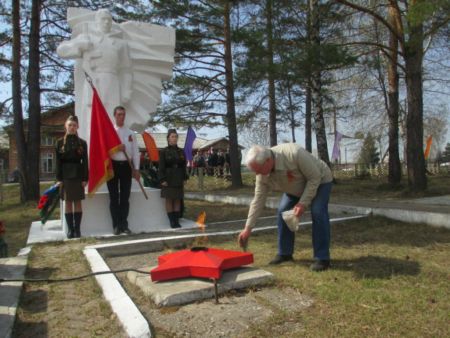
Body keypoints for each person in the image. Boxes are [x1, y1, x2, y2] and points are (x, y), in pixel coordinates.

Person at [237, 144, 333, 271]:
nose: (257, 174)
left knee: (318, 212)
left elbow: (315, 177)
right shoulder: (261, 173)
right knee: (283, 211)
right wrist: (248, 228)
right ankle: (285, 253)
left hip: (320, 180)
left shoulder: (294, 153)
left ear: (268, 161)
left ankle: (322, 258)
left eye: (258, 170)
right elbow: (258, 200)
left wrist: (302, 203)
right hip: (294, 188)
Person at [107, 106, 140, 235]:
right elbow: (105, 152)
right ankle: (116, 225)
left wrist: (136, 169)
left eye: (123, 114)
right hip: (113, 166)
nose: (122, 117)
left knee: (125, 197)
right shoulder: (110, 132)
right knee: (114, 197)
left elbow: (136, 152)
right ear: (114, 115)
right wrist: (116, 148)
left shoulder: (130, 133)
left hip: (127, 166)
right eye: (119, 114)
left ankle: (124, 224)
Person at [55, 115, 89, 239]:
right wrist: (59, 179)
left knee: (78, 202)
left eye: (74, 125)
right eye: (70, 125)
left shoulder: (82, 143)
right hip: (65, 176)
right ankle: (70, 229)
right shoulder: (59, 143)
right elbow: (58, 162)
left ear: (77, 127)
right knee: (68, 202)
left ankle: (77, 229)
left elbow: (85, 161)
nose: (72, 127)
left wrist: (85, 178)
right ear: (66, 126)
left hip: (78, 175)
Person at [159, 129, 188, 228]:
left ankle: (176, 220)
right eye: (172, 136)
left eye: (176, 136)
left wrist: (184, 178)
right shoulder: (164, 151)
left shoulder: (181, 152)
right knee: (169, 199)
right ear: (168, 139)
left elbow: (184, 166)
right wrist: (162, 179)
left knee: (177, 199)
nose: (174, 138)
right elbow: (161, 166)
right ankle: (171, 221)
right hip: (168, 177)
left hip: (178, 177)